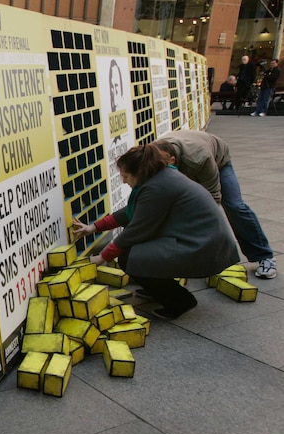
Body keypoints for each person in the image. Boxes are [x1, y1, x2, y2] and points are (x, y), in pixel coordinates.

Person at [72, 145, 239, 319]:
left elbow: (137, 229)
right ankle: (158, 290)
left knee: (129, 257)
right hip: (199, 238)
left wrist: (102, 257)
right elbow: (132, 211)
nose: (123, 181)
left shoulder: (157, 187)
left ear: (139, 172)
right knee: (134, 253)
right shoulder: (159, 177)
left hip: (204, 246)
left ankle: (180, 302)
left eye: (126, 176)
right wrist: (93, 227)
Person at [152, 131, 277, 279]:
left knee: (234, 205)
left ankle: (265, 256)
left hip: (218, 160)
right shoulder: (150, 157)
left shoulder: (199, 159)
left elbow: (212, 198)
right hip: (186, 159)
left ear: (172, 160)